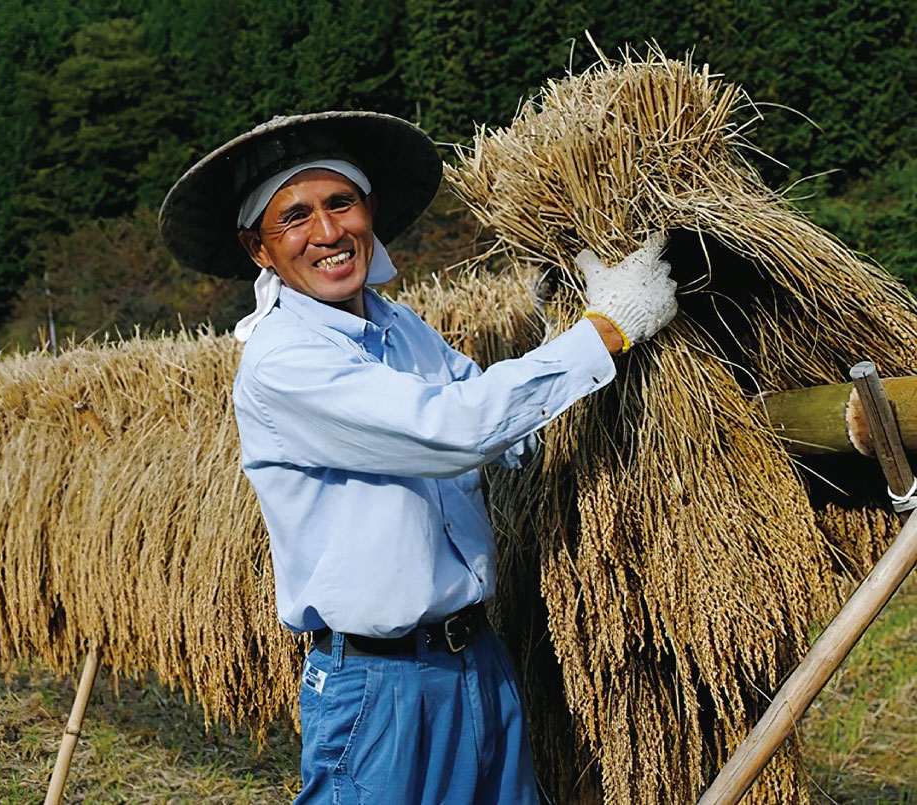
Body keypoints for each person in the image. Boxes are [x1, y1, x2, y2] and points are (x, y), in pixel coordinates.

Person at [158, 111, 676, 804]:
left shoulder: (398, 326)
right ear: (260, 248)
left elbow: (495, 419)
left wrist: (560, 323)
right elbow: (456, 426)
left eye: (341, 203)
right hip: (379, 688)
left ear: (368, 210)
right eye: (296, 217)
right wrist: (604, 330)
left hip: (476, 662)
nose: (328, 233)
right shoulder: (286, 362)